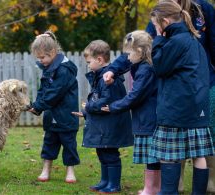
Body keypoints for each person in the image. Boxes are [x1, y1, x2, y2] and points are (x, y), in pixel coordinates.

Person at [147, 0, 215, 193]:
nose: (155, 29)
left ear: (165, 21)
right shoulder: (193, 39)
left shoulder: (175, 42)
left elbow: (159, 67)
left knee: (169, 154)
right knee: (198, 154)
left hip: (177, 107)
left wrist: (159, 39)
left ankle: (169, 192)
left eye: (155, 25)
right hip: (197, 107)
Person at [101, 30, 160, 195]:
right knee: (152, 156)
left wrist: (114, 106)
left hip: (149, 117)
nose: (127, 57)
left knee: (152, 157)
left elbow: (135, 96)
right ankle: (153, 187)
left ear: (140, 52)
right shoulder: (142, 65)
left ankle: (151, 188)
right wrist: (113, 71)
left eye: (129, 53)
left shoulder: (146, 70)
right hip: (146, 116)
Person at [72, 40, 133, 193]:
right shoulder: (100, 77)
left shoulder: (107, 79)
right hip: (103, 125)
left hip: (111, 125)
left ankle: (114, 184)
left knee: (110, 154)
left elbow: (106, 101)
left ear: (99, 59)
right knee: (102, 152)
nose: (88, 65)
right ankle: (105, 181)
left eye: (89, 62)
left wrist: (89, 107)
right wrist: (86, 112)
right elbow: (98, 100)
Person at [28, 30, 80, 183]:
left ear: (53, 52)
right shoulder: (48, 69)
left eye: (43, 57)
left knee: (69, 143)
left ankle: (70, 171)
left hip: (66, 115)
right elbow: (43, 90)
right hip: (51, 115)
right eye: (39, 58)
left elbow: (54, 93)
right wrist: (37, 106)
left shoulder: (64, 70)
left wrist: (38, 107)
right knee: (49, 142)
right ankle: (46, 169)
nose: (41, 60)